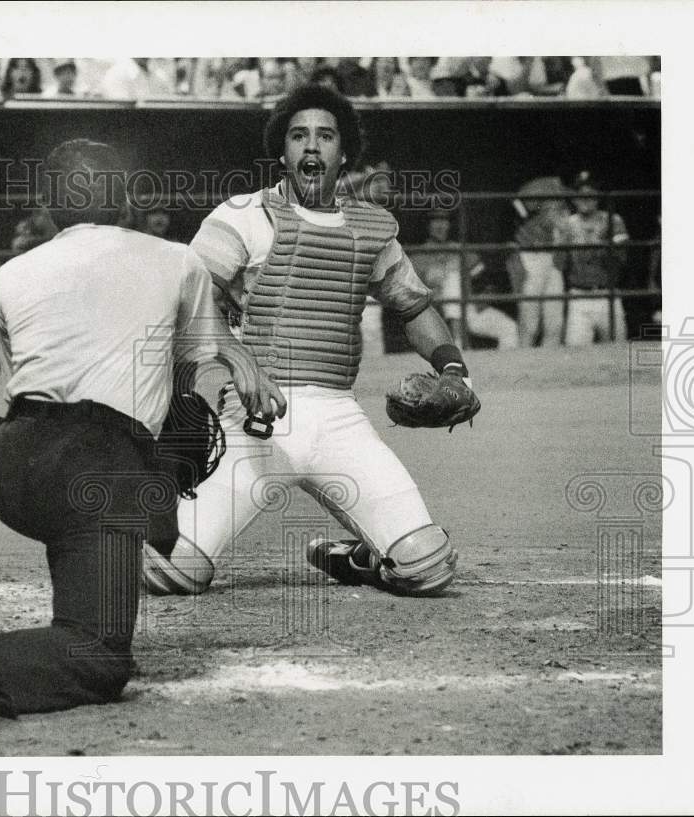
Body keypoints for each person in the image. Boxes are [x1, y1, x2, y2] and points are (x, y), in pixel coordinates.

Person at [0, 139, 284, 718]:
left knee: (82, 504)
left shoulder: (13, 273)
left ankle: (88, 607)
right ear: (126, 203)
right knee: (99, 659)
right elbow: (189, 372)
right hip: (93, 470)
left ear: (47, 208)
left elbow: (22, 387)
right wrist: (165, 472)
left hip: (6, 463)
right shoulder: (178, 259)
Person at [142, 85, 475, 599]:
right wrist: (234, 357)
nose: (312, 146)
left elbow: (414, 306)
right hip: (255, 426)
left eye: (325, 136)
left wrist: (454, 370)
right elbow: (182, 302)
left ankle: (361, 557)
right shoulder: (241, 216)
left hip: (339, 419)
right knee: (171, 571)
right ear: (283, 151)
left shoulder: (370, 228)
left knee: (428, 568)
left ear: (344, 154)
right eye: (299, 136)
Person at [411, 211, 518, 349]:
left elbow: (487, 281)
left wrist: (483, 298)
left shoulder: (459, 249)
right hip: (435, 314)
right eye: (435, 221)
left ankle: (499, 369)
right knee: (453, 277)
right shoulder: (418, 256)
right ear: (428, 226)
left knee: (509, 328)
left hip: (467, 309)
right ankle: (458, 343)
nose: (441, 226)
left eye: (444, 221)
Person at [559, 171, 630, 345]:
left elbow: (622, 259)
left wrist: (601, 244)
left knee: (617, 355)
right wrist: (563, 240)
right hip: (579, 296)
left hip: (607, 295)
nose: (585, 199)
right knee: (576, 358)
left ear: (597, 197)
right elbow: (558, 264)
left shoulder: (613, 220)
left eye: (590, 194)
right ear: (574, 198)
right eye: (580, 194)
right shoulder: (567, 224)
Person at [507, 176, 569, 347]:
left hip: (552, 257)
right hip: (530, 256)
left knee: (555, 323)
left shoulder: (563, 193)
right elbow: (515, 210)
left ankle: (548, 369)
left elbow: (561, 227)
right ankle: (524, 365)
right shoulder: (535, 188)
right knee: (529, 323)